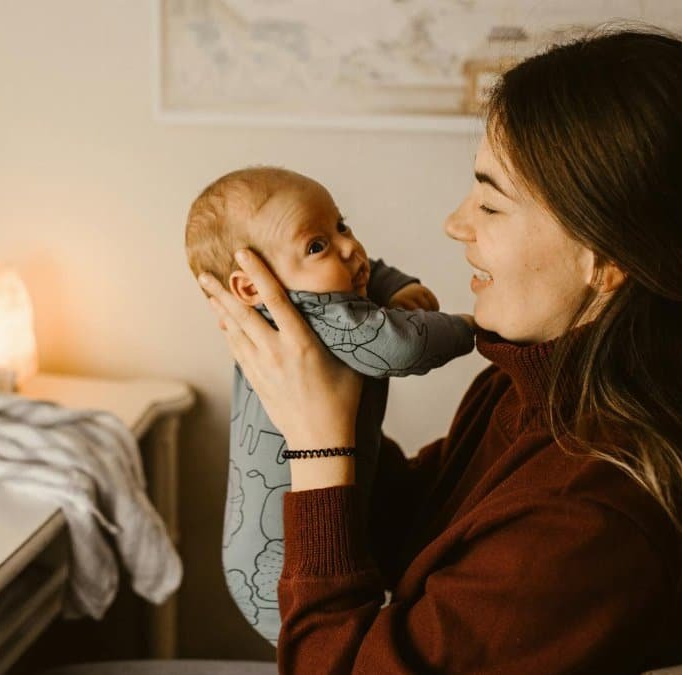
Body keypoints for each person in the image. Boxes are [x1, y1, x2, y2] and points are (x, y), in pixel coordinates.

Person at [196, 28, 682, 673]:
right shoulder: (545, 386)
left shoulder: (589, 520)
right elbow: (417, 529)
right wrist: (318, 402)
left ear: (605, 258)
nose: (456, 223)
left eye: (492, 203)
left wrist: (319, 448)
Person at [183, 166, 474, 643]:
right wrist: (471, 328)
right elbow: (399, 346)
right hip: (283, 569)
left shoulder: (311, 293)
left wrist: (395, 287)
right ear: (252, 287)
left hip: (272, 546)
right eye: (316, 245)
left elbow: (368, 268)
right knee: (334, 642)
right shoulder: (316, 314)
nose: (347, 246)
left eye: (341, 224)